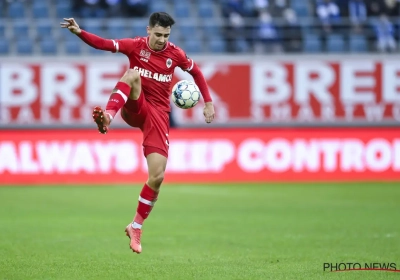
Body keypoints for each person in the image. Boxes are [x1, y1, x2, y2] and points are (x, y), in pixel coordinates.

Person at [60, 12, 215, 254]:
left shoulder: (176, 54)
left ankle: (136, 226)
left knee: (157, 176)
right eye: (158, 34)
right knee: (132, 74)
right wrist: (80, 32)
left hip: (158, 117)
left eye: (166, 35)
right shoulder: (136, 46)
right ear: (148, 30)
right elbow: (104, 44)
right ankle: (108, 117)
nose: (162, 39)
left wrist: (208, 102)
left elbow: (196, 73)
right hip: (137, 105)